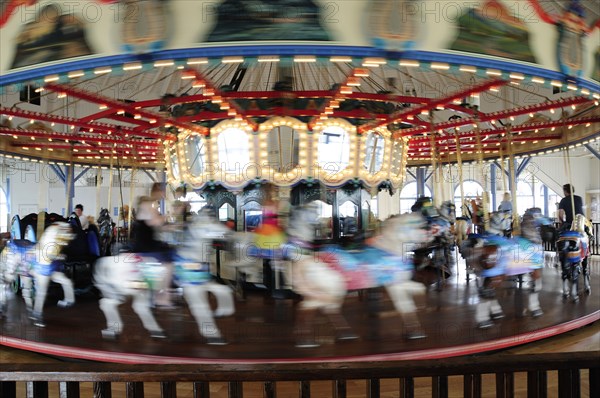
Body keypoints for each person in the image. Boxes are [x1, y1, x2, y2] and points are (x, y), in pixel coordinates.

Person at [130, 183, 174, 307]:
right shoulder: (148, 204)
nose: (164, 195)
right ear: (157, 191)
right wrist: (169, 215)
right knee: (168, 264)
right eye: (163, 192)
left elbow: (158, 225)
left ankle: (158, 292)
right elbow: (154, 222)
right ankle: (162, 296)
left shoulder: (150, 205)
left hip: (146, 242)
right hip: (145, 245)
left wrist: (172, 226)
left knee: (168, 250)